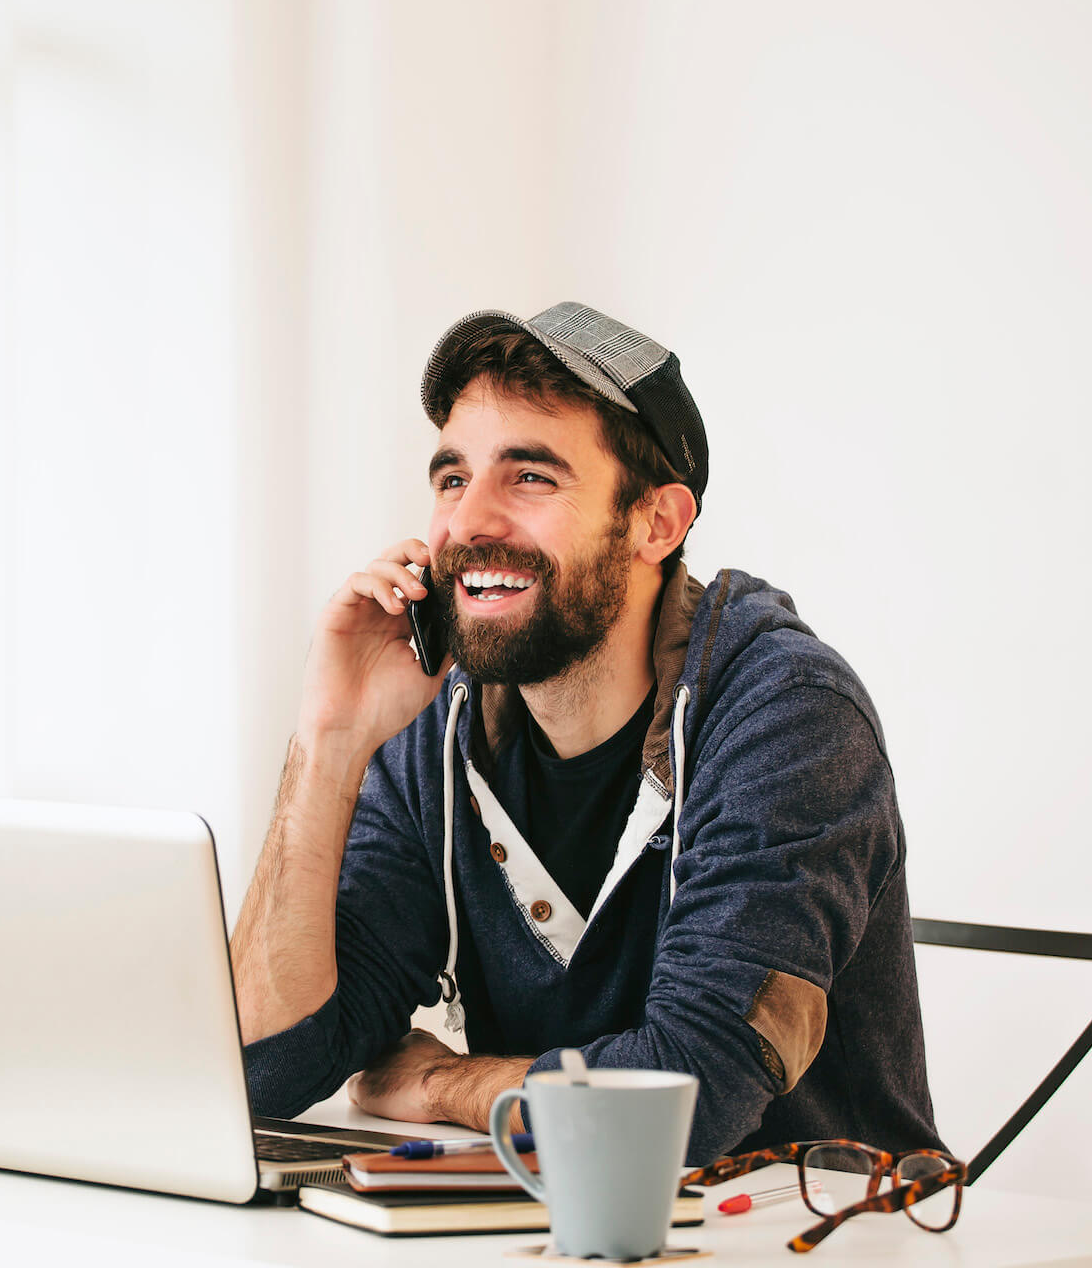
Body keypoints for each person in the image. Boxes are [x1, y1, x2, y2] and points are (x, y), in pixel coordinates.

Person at [227, 302, 943, 1162]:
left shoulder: (786, 717)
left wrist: (444, 1084)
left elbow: (684, 1101)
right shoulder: (437, 727)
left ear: (657, 523)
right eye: (452, 479)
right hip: (545, 1231)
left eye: (530, 477)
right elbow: (262, 1066)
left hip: (805, 1238)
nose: (469, 523)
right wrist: (329, 739)